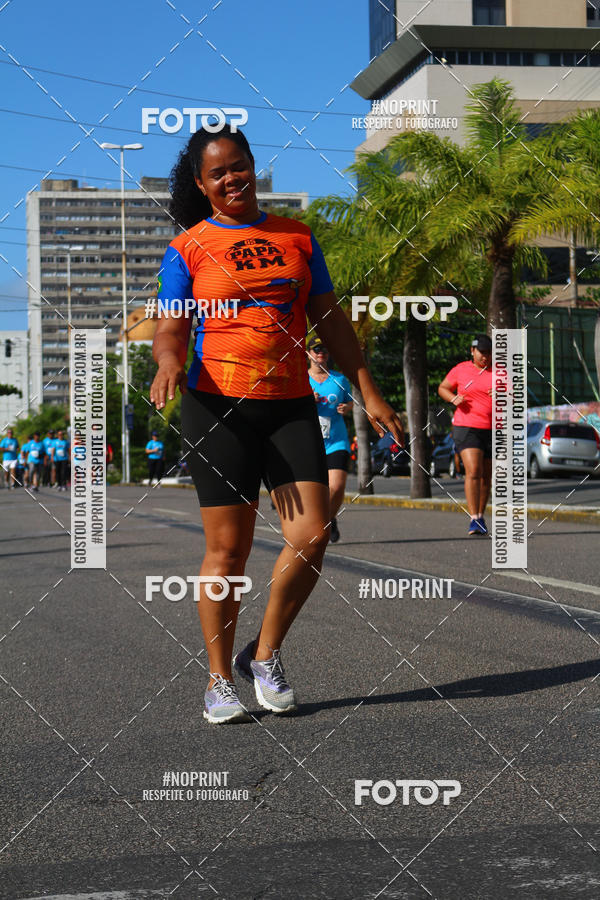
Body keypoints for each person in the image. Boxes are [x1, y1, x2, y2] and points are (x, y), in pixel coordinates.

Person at [150, 124, 403, 725]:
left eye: (239, 165)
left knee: (313, 534)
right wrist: (167, 363)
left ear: (252, 166)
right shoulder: (188, 247)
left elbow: (332, 321)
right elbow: (170, 324)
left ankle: (264, 655)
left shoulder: (297, 237)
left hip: (289, 402)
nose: (232, 178)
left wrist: (368, 389)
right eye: (218, 172)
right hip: (217, 406)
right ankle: (217, 679)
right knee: (228, 551)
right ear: (202, 184)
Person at [438, 334, 493, 536]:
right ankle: (474, 518)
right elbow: (442, 388)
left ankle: (481, 515)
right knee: (474, 470)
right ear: (472, 351)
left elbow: (515, 397)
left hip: (493, 429)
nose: (485, 357)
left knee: (487, 476)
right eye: (482, 353)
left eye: (489, 353)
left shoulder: (500, 372)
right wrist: (453, 398)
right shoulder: (461, 369)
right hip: (466, 427)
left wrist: (503, 394)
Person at [307, 338, 354, 543]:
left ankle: (328, 519)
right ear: (308, 353)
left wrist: (347, 408)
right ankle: (323, 521)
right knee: (314, 492)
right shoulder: (300, 379)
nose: (321, 353)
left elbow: (350, 401)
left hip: (336, 440)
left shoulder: (339, 380)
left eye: (325, 349)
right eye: (316, 349)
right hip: (309, 442)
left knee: (336, 486)